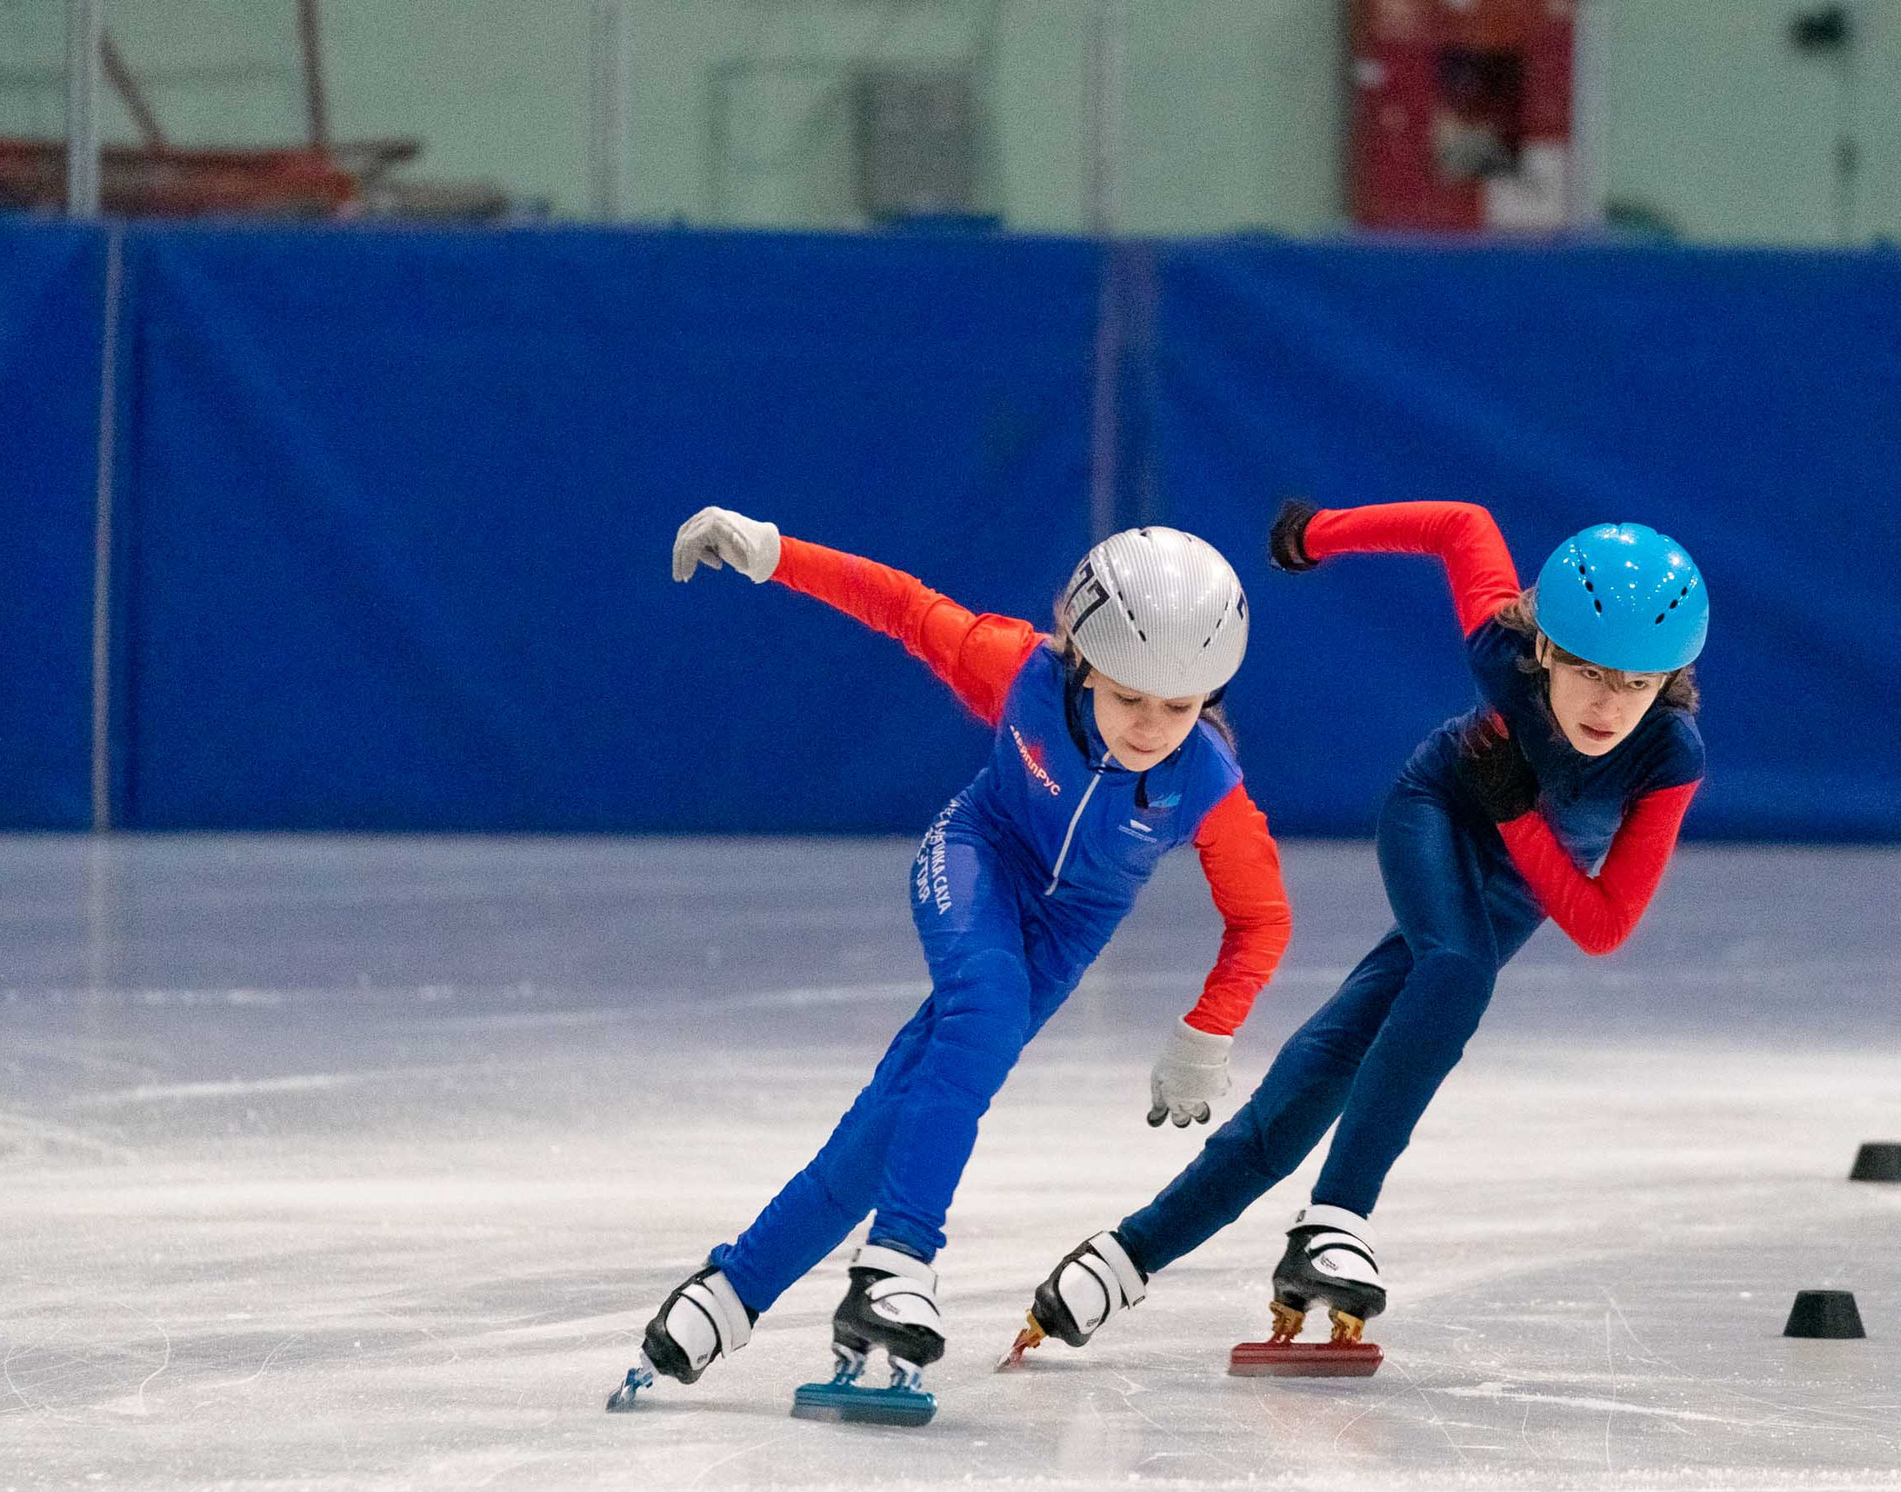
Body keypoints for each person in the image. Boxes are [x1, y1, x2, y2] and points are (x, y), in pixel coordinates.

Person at [618, 506, 1291, 1407]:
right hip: (975, 855)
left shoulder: (1207, 783)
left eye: (1180, 706)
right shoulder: (1017, 669)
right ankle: (899, 1257)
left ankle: (730, 1291)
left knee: (901, 1111)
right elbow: (899, 604)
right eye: (1129, 695)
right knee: (984, 1006)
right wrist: (775, 553)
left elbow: (1262, 918)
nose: (1151, 725)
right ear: (1083, 659)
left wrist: (1209, 1028)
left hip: (1065, 932)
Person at [1011, 499, 1705, 1361]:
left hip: (1526, 876)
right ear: (1546, 649)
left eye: (1636, 685)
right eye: (1591, 674)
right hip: (1439, 810)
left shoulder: (1669, 755)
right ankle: (1338, 1217)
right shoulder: (1501, 649)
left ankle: (1123, 1255)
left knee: (1339, 1057)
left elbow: (1602, 926)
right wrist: (1315, 534)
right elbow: (1465, 527)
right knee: (1456, 968)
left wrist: (1523, 816)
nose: (1610, 706)